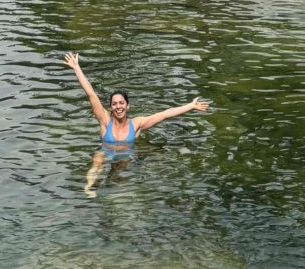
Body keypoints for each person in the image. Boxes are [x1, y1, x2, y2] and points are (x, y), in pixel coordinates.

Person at [62, 51, 209, 197]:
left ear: (127, 106)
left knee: (119, 174)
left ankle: (113, 186)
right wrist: (76, 68)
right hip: (105, 151)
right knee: (98, 160)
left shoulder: (137, 123)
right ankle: (88, 188)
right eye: (114, 104)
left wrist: (191, 106)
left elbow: (165, 114)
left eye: (121, 103)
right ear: (110, 107)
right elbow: (91, 93)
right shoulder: (105, 120)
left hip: (126, 155)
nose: (118, 106)